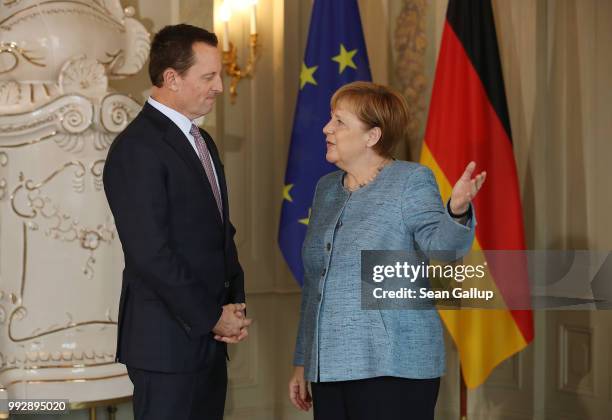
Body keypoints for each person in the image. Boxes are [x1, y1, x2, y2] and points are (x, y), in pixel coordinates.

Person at [288, 81, 486, 419]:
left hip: (395, 369)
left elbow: (442, 248)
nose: (326, 128)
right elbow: (315, 286)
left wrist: (456, 211)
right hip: (330, 368)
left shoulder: (410, 180)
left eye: (339, 121)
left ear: (372, 136)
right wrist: (304, 360)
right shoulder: (326, 190)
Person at [103, 24, 251, 420]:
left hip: (208, 339)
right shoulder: (137, 148)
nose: (219, 86)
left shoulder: (203, 141)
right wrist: (212, 316)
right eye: (208, 76)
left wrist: (233, 304)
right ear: (171, 78)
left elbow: (221, 231)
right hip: (165, 345)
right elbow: (151, 254)